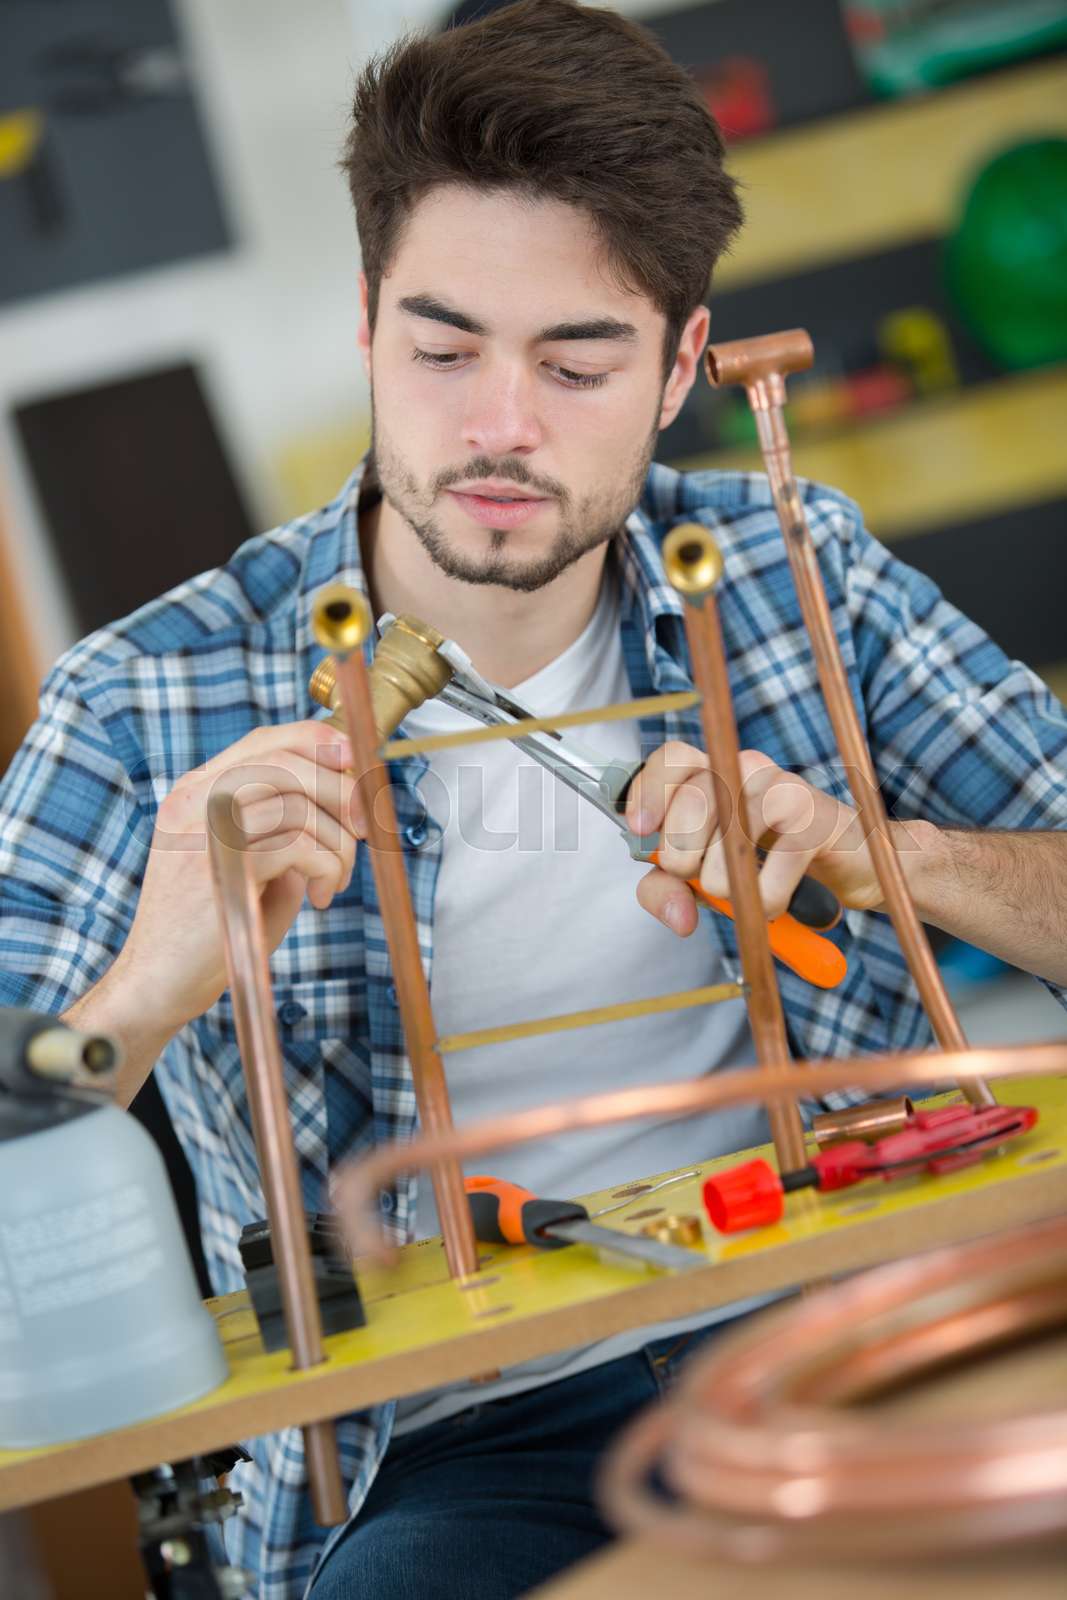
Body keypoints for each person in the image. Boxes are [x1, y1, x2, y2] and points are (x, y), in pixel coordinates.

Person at [1, 2, 1065, 1595]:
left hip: (850, 1318)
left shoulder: (795, 569)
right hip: (447, 1446)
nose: (499, 425)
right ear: (366, 323)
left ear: (681, 366)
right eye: (442, 349)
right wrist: (155, 979)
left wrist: (883, 852)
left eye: (577, 362)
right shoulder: (146, 699)